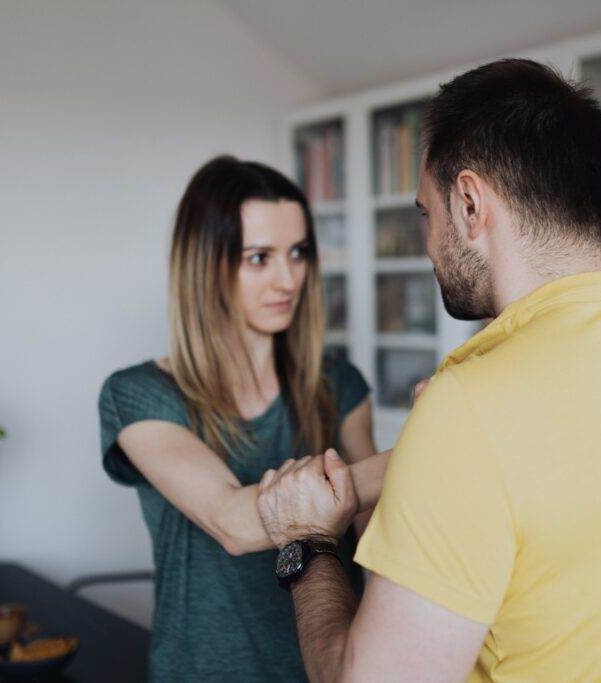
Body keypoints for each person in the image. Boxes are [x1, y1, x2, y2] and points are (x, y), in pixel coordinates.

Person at [256, 59, 601, 681]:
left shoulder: (468, 411)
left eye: (426, 214)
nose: (427, 243)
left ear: (469, 203)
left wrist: (308, 543)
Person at [97, 156, 391, 682]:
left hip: (326, 666)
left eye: (298, 253)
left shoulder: (337, 382)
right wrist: (440, 446)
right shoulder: (140, 394)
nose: (288, 279)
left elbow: (377, 533)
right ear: (204, 265)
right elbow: (231, 522)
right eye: (259, 258)